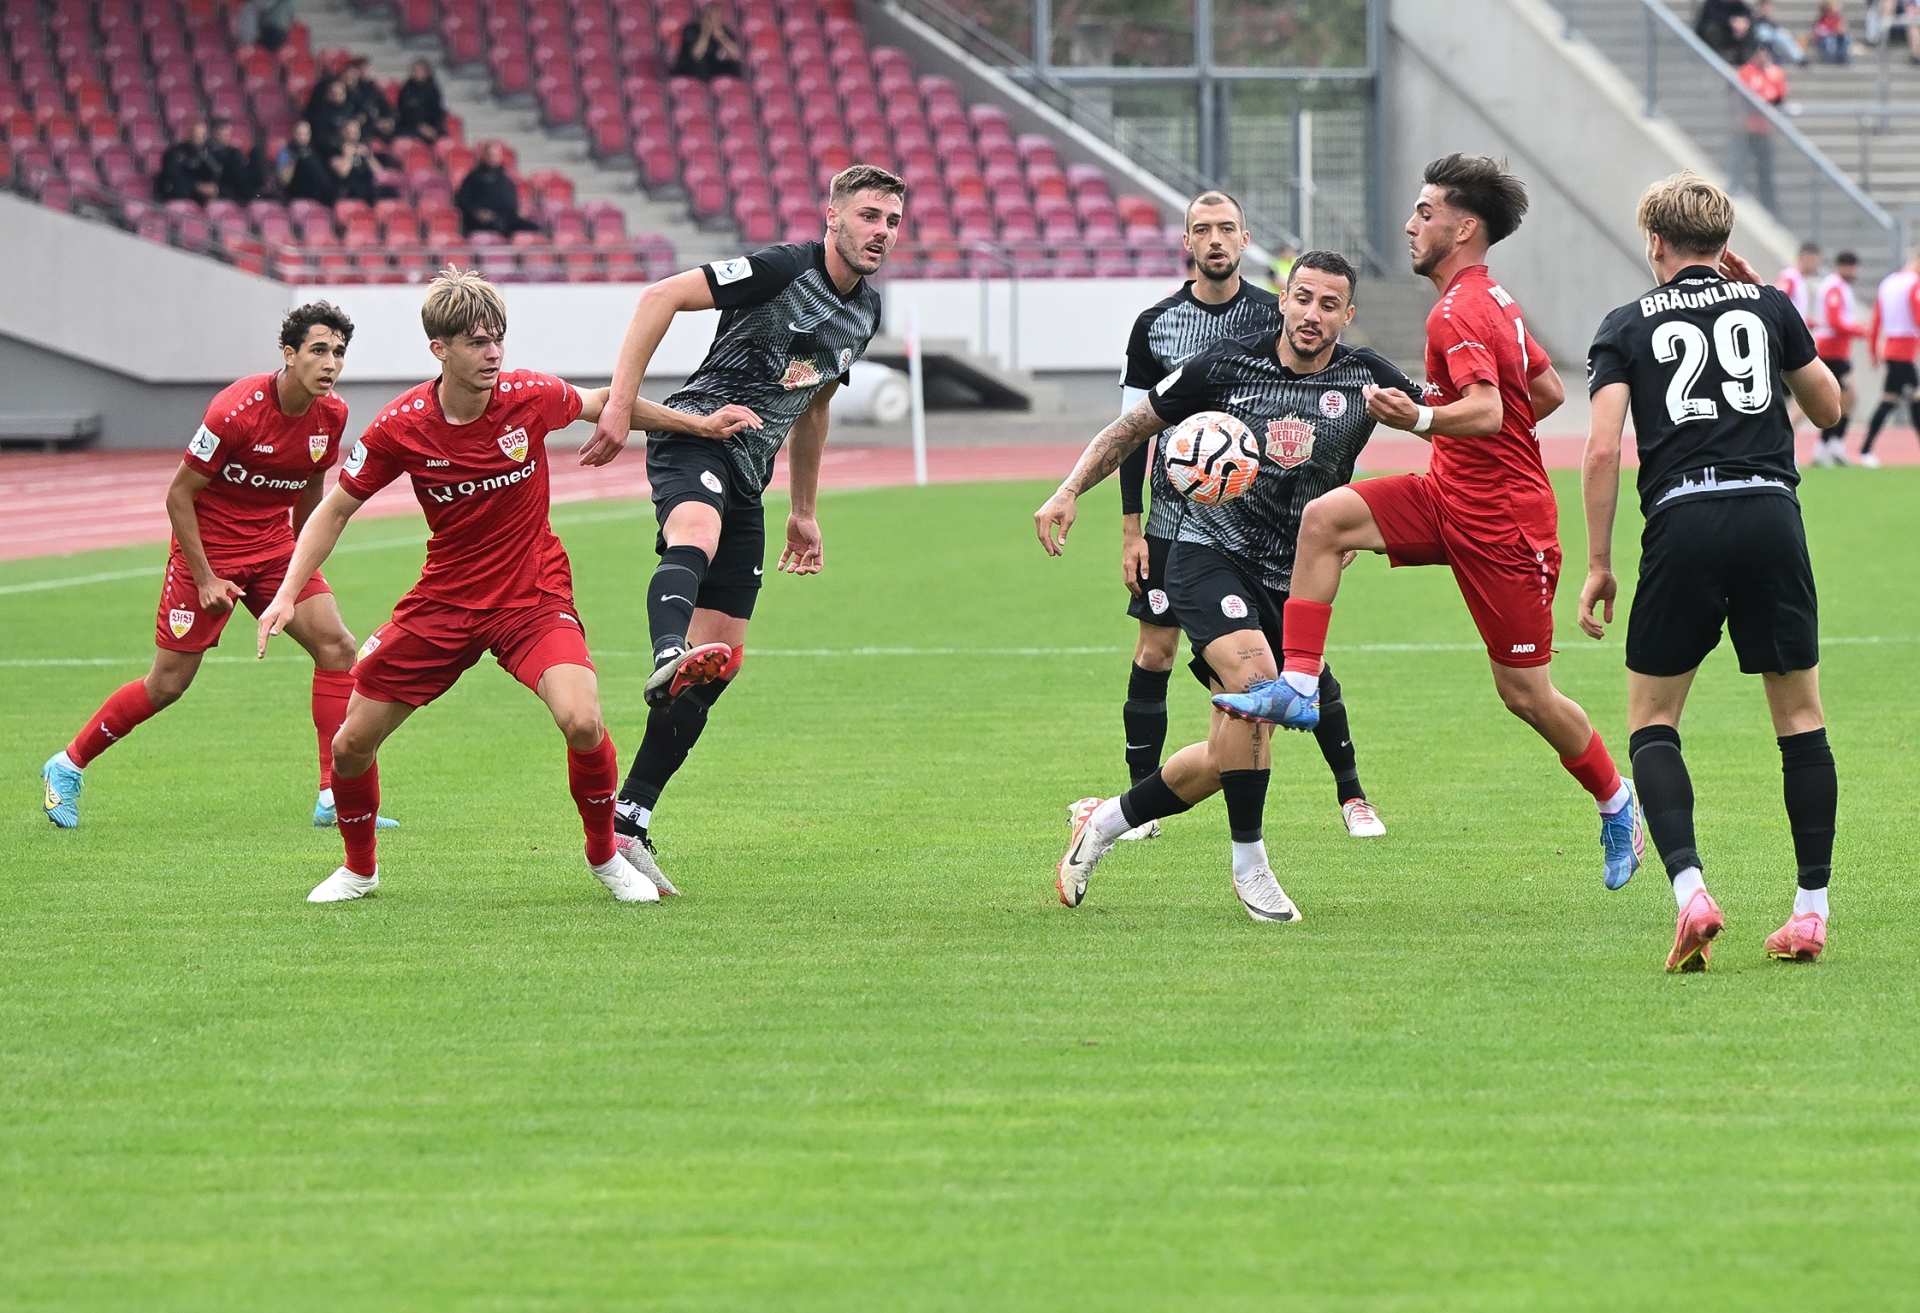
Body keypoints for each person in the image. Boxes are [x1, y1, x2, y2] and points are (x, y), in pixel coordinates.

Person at [253, 270, 738, 903]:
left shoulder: (530, 395)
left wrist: (697, 426)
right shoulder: (401, 424)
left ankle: (604, 858)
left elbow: (604, 402)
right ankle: (359, 869)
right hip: (443, 604)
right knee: (350, 745)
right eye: (477, 342)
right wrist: (288, 590)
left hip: (531, 597)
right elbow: (335, 508)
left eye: (498, 340)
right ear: (440, 350)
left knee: (583, 720)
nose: (493, 354)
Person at [1257, 154, 1647, 892]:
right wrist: (1472, 444)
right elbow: (1544, 390)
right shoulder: (1492, 298)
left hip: (1505, 526)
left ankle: (1616, 800)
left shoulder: (1460, 308)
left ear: (1463, 228)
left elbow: (1495, 409)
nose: (1411, 224)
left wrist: (1423, 417)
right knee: (1326, 519)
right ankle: (1300, 682)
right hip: (1449, 495)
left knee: (1525, 694)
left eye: (1426, 212)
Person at [1034, 252, 1415, 922]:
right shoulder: (1225, 364)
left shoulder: (1366, 377)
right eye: (1302, 297)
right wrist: (1068, 491)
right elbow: (1131, 429)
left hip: (1291, 579)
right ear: (1284, 299)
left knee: (1226, 748)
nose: (1312, 314)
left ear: (1346, 314)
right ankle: (1251, 866)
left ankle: (1104, 821)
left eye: (1329, 304)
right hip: (1206, 554)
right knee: (1256, 681)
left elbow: (1452, 419)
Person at [578, 163, 902, 890]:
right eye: (870, 215)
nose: (881, 231)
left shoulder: (866, 314)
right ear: (833, 215)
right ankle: (668, 650)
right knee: (695, 531)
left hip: (752, 471)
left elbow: (813, 404)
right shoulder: (780, 268)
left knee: (724, 657)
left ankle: (629, 820)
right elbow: (661, 295)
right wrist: (618, 406)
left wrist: (806, 510)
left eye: (892, 220)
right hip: (697, 433)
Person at [1579, 172, 1843, 971]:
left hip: (1683, 518)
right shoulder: (1767, 308)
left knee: (1653, 719)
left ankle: (1692, 891)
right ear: (1726, 246)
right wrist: (1768, 305)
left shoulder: (1624, 324)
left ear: (1654, 242)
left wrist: (1597, 560)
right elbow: (1829, 409)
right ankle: (1810, 910)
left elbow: (1599, 447)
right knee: (1800, 717)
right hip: (1770, 510)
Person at [41, 303, 396, 832]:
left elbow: (311, 491)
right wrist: (205, 577)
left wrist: (300, 564)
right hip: (208, 555)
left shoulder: (333, 414)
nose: (330, 363)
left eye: (338, 353)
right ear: (289, 353)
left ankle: (331, 794)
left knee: (336, 646)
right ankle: (66, 765)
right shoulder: (234, 411)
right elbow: (179, 495)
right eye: (318, 350)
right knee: (167, 685)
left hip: (274, 549)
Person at [1111, 191, 1383, 843]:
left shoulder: (1279, 318)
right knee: (1154, 648)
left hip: (1259, 528)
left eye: (1226, 228)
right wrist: (1130, 523)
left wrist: (1336, 517)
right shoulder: (1157, 324)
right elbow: (1132, 427)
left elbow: (1331, 427)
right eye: (1201, 229)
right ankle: (1137, 811)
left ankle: (1351, 793)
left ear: (1244, 238)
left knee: (1299, 665)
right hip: (1174, 519)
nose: (1215, 239)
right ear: (1186, 241)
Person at [1859, 248, 1920, 466]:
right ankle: (1865, 450)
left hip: (1892, 349)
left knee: (1912, 399)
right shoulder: (1914, 284)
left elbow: (1876, 319)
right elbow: (1918, 313)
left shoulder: (1888, 283)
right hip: (1903, 351)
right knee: (1892, 400)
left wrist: (1873, 350)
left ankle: (1865, 449)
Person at [1811, 250, 1865, 464]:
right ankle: (1826, 445)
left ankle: (1831, 444)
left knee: (1849, 399)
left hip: (1840, 350)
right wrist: (1860, 331)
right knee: (1841, 399)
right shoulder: (1834, 287)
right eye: (1851, 267)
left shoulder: (1842, 287)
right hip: (1830, 350)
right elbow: (1834, 321)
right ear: (1842, 266)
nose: (1854, 272)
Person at [455, 140, 538, 237]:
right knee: (499, 226)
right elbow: (463, 200)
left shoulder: (505, 177)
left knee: (534, 228)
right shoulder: (472, 177)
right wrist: (476, 212)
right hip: (484, 220)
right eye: (490, 155)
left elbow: (512, 199)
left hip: (507, 217)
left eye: (495, 155)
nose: (493, 158)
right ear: (484, 156)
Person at [1738, 45, 1785, 212]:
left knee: (1765, 170)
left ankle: (1769, 204)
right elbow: (1743, 96)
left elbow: (1779, 97)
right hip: (1746, 128)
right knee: (1741, 165)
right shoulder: (1747, 72)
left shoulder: (1773, 73)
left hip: (1764, 129)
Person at [672, 3, 744, 80]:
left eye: (716, 18)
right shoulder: (692, 29)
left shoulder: (723, 30)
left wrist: (721, 37)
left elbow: (736, 55)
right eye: (710, 18)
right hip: (690, 65)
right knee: (699, 65)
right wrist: (705, 33)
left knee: (733, 65)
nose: (713, 22)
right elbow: (696, 54)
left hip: (713, 63)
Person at [155, 120, 220, 203]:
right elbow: (173, 174)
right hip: (177, 188)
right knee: (183, 192)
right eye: (195, 134)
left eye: (202, 135)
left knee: (223, 192)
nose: (198, 138)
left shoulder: (206, 153)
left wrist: (212, 185)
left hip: (199, 189)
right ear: (188, 134)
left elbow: (212, 170)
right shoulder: (174, 152)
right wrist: (197, 186)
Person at [326, 119, 378, 205]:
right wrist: (348, 155)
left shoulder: (363, 149)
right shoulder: (334, 151)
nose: (354, 135)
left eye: (356, 131)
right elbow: (343, 173)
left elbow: (379, 173)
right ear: (342, 132)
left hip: (366, 193)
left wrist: (369, 156)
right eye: (350, 131)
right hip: (345, 194)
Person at [395, 59, 447, 142]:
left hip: (432, 127)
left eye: (421, 70)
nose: (418, 73)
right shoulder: (407, 89)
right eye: (415, 70)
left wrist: (433, 129)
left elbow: (437, 111)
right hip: (411, 127)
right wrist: (421, 127)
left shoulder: (433, 89)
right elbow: (404, 112)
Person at [208, 118, 257, 203]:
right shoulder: (207, 150)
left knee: (256, 152)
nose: (227, 135)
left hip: (237, 182)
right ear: (214, 132)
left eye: (228, 132)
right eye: (223, 131)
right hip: (222, 184)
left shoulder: (231, 150)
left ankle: (255, 189)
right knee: (234, 154)